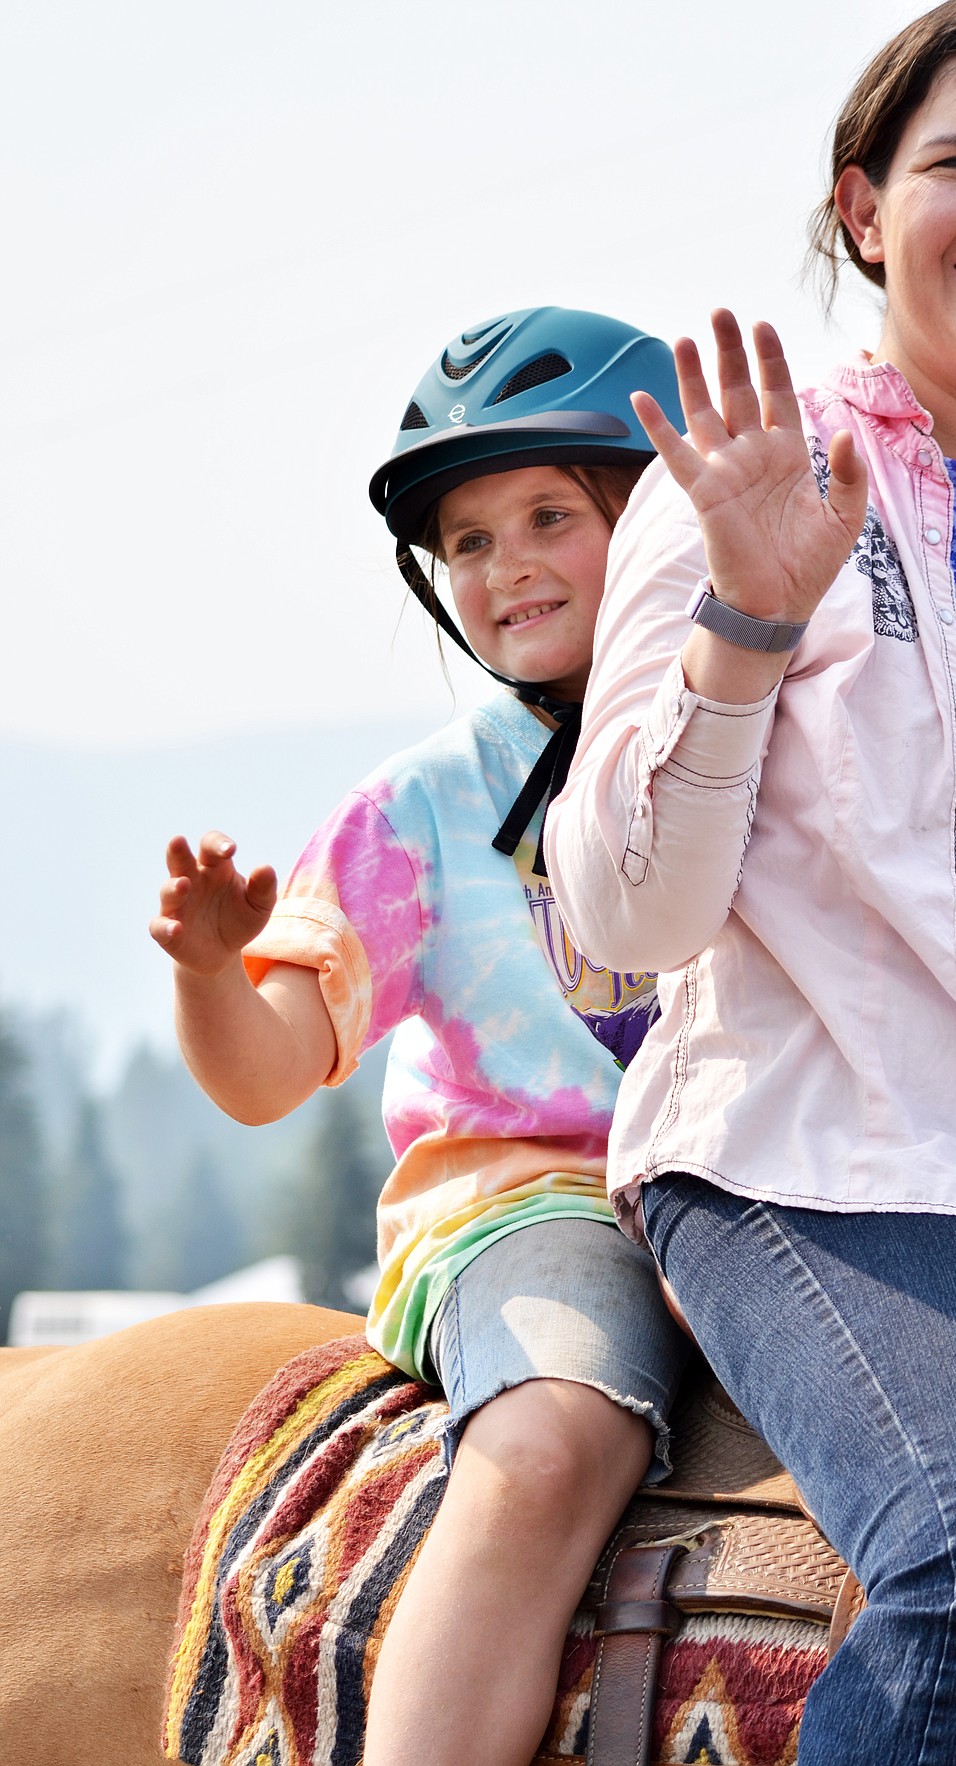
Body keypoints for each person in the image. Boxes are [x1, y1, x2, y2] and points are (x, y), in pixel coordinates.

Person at [544, 5, 956, 1761]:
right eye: (954, 161)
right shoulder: (757, 481)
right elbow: (625, 915)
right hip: (845, 1151)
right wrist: (745, 621)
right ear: (859, 210)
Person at [149, 306, 690, 1766]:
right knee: (554, 1436)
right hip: (537, 1200)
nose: (505, 564)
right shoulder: (425, 805)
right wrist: (212, 970)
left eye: (545, 515)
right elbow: (269, 1070)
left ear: (664, 524)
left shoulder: (773, 733)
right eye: (464, 540)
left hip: (762, 1182)